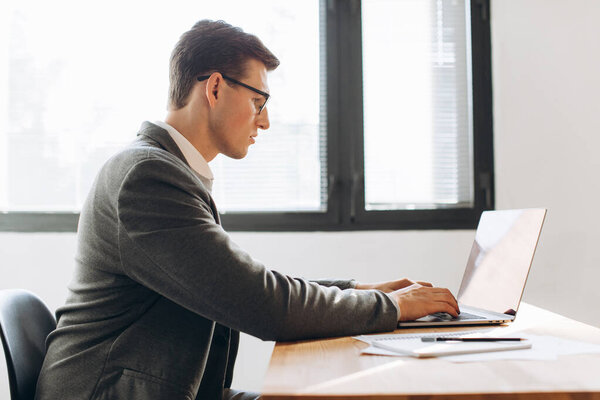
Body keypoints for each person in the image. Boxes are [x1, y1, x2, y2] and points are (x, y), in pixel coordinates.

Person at [35, 20, 459, 400]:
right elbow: (259, 302)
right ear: (215, 88)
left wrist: (358, 291)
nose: (266, 121)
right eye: (259, 101)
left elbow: (241, 283)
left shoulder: (164, 170)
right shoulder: (146, 178)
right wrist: (394, 307)